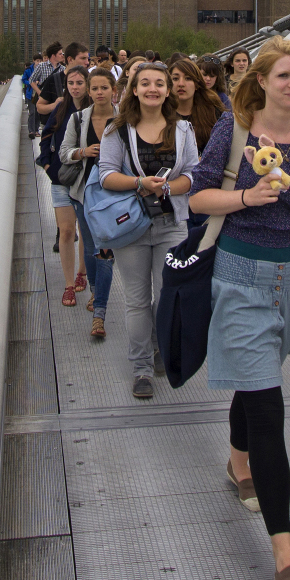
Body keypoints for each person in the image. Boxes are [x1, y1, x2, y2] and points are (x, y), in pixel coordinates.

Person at [188, 36, 290, 580]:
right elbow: (200, 199)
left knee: (257, 387)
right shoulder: (235, 130)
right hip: (242, 274)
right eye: (284, 76)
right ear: (263, 82)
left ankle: (235, 461)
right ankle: (285, 554)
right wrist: (248, 198)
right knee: (267, 404)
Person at [98, 63, 198, 399]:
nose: (152, 89)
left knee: (168, 296)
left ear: (168, 90)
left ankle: (158, 346)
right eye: (145, 83)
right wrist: (140, 182)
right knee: (138, 301)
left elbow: (193, 176)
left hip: (172, 225)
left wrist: (168, 188)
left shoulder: (183, 129)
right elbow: (106, 176)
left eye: (159, 83)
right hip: (132, 228)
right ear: (134, 90)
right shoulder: (117, 130)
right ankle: (141, 368)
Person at [59, 67, 118, 338]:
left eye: (104, 88)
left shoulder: (124, 119)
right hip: (84, 193)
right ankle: (95, 290)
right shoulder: (78, 119)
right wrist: (84, 152)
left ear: (113, 91)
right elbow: (64, 153)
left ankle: (100, 311)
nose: (99, 92)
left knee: (104, 248)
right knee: (91, 246)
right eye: (94, 88)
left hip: (114, 195)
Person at [41, 65, 91, 307]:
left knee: (85, 229)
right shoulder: (61, 108)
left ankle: (83, 272)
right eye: (71, 83)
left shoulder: (95, 109)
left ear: (87, 85)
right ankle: (69, 285)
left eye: (79, 83)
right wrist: (47, 166)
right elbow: (46, 135)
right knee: (67, 231)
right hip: (61, 179)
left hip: (87, 180)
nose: (75, 87)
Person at [38, 42, 86, 116]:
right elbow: (39, 107)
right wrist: (54, 105)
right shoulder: (54, 79)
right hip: (59, 125)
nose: (87, 62)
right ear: (70, 59)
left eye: (87, 59)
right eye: (83, 58)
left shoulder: (90, 79)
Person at [23, 53, 40, 138]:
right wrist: (30, 83)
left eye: (40, 61)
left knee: (38, 113)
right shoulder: (29, 70)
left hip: (39, 94)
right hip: (31, 94)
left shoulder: (42, 69)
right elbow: (24, 79)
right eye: (37, 61)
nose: (38, 62)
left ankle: (36, 129)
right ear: (34, 61)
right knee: (32, 112)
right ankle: (31, 131)